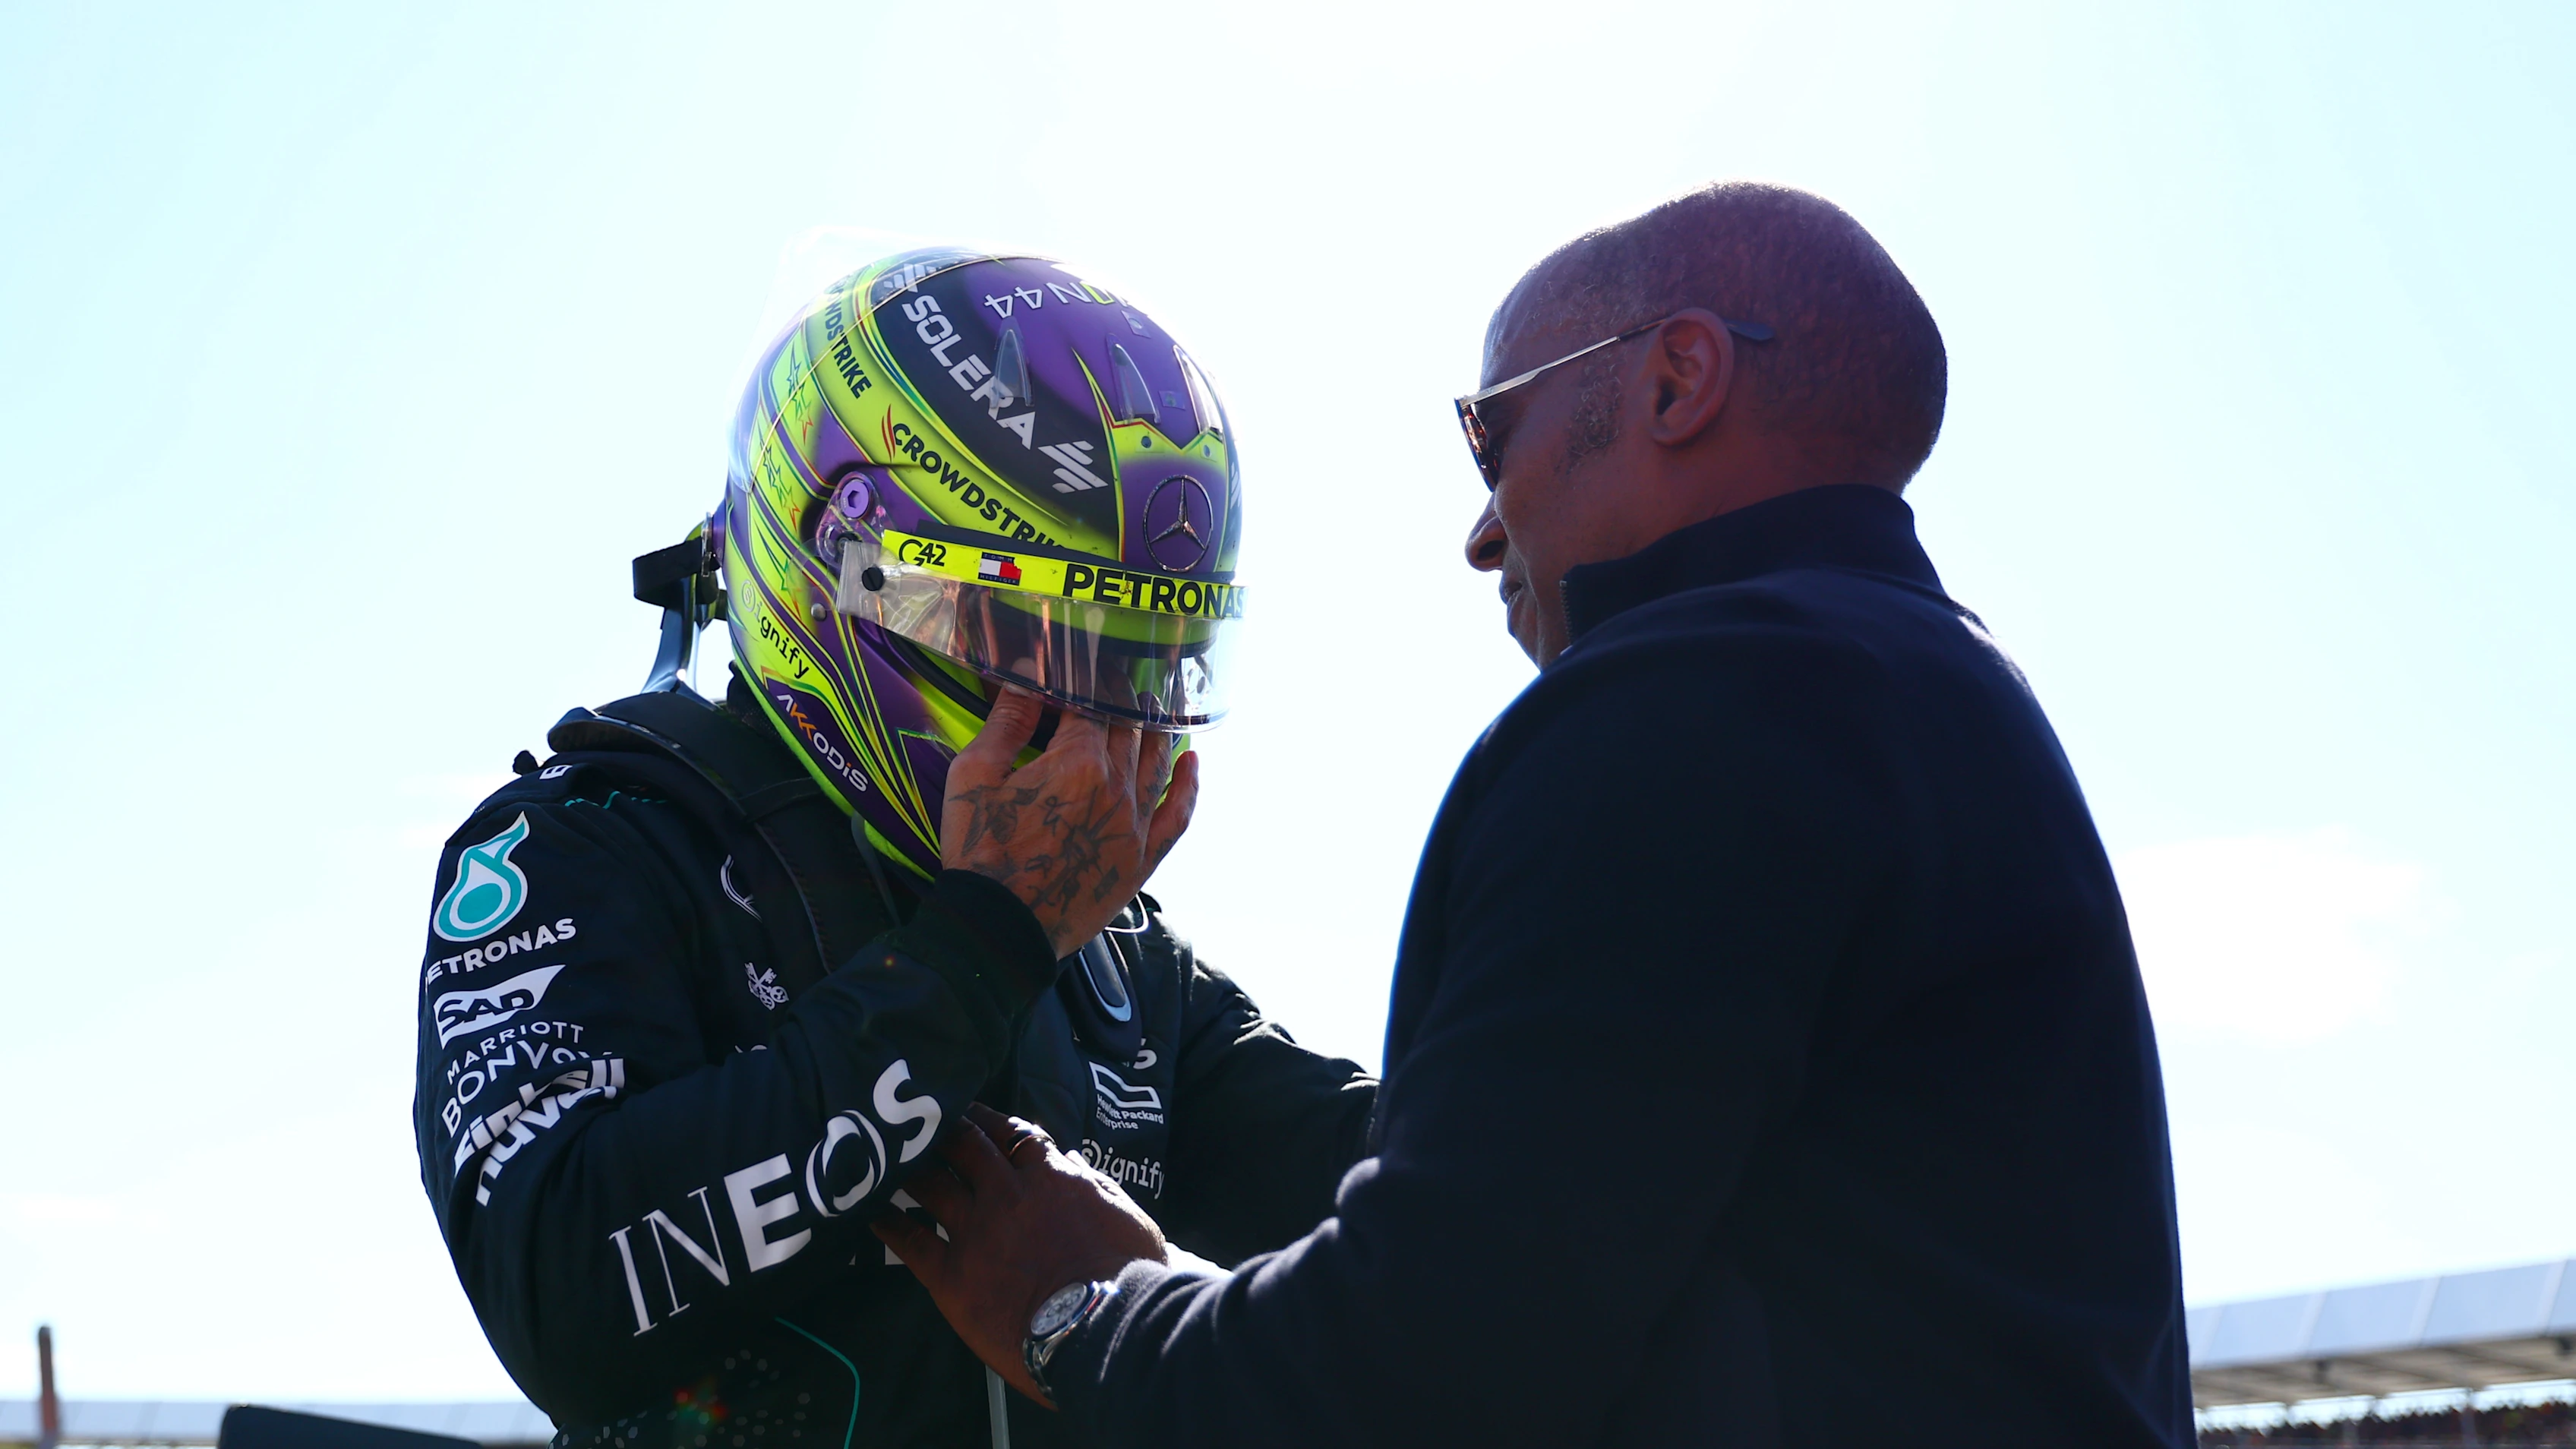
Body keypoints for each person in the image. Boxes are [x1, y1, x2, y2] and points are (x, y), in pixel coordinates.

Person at [875, 185, 2197, 1446]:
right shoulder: (1931, 691)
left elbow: (1420, 1386)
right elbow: (1587, 1218)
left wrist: (1081, 1313)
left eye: (1490, 435)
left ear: (1675, 380)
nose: (1482, 531)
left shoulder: (1696, 700)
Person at [411, 246, 1375, 1449]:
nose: (1103, 727)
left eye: (1138, 663)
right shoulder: (586, 849)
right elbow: (560, 1293)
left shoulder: (1117, 956)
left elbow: (1413, 1192)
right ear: (845, 565)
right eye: (1046, 645)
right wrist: (980, 951)